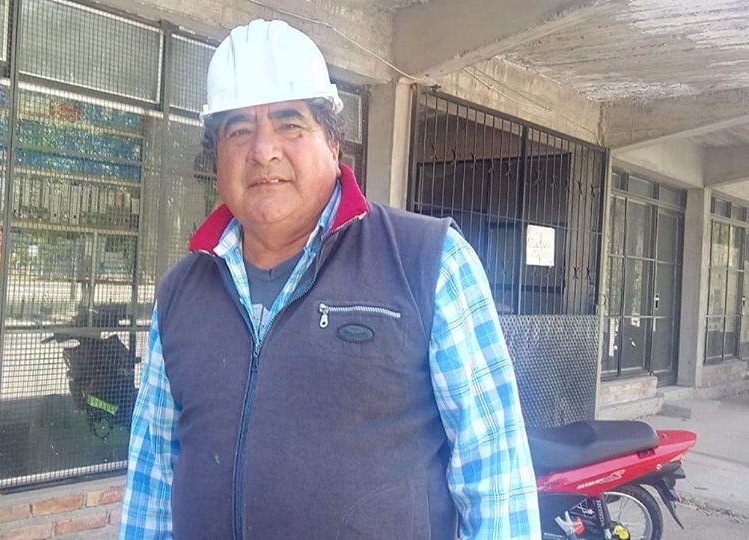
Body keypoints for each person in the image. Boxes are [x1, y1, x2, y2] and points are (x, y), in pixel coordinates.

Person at [120, 19, 539, 540]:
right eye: (239, 130)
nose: (263, 151)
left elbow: (493, 471)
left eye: (290, 124)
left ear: (333, 143)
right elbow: (154, 475)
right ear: (217, 156)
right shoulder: (180, 293)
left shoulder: (429, 262)